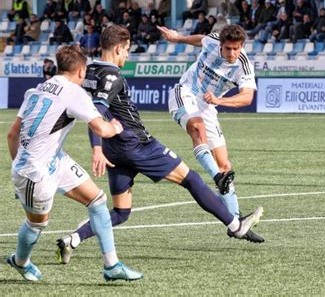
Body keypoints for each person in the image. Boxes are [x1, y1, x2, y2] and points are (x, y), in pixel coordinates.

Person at [55, 25, 263, 264]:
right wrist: (96, 148)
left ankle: (72, 239)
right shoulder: (113, 76)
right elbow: (96, 112)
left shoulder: (89, 71)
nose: (128, 56)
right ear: (119, 48)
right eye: (127, 50)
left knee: (121, 212)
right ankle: (236, 225)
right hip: (136, 144)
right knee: (191, 179)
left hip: (115, 150)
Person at [5, 45, 143, 282]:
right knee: (37, 224)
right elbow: (101, 127)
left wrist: (18, 162)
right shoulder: (74, 93)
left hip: (52, 160)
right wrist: (116, 126)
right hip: (35, 172)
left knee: (97, 200)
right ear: (81, 72)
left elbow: (11, 135)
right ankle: (20, 261)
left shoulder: (35, 90)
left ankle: (112, 266)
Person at [158, 24, 265, 243]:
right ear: (221, 45)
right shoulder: (213, 41)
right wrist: (178, 39)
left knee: (225, 165)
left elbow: (247, 97)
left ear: (242, 46)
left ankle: (236, 223)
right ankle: (216, 177)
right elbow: (200, 39)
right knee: (197, 129)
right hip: (185, 92)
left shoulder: (244, 65)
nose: (232, 53)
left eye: (236, 49)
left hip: (209, 105)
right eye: (227, 49)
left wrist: (220, 100)